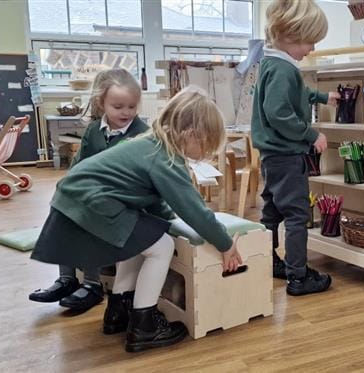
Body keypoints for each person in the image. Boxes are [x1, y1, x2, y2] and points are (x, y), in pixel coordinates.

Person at [31, 87, 243, 352]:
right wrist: (225, 244)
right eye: (205, 146)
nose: (204, 153)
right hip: (92, 203)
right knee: (161, 246)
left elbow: (155, 203)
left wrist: (168, 218)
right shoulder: (165, 157)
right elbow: (194, 209)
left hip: (78, 198)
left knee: (141, 239)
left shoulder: (150, 144)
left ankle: (120, 310)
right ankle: (144, 325)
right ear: (192, 135)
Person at [29, 69, 148, 311]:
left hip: (122, 199)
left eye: (131, 107)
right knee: (64, 204)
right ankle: (67, 277)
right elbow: (81, 162)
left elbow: (142, 175)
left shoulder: (141, 133)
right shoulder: (95, 130)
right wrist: (68, 184)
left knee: (90, 211)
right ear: (101, 103)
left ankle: (92, 285)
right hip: (94, 190)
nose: (126, 112)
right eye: (118, 107)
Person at [252, 0, 340, 296]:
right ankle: (299, 276)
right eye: (309, 42)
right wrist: (310, 135)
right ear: (290, 35)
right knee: (297, 216)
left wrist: (322, 97)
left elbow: (296, 94)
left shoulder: (274, 63)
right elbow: (279, 112)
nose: (312, 49)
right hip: (287, 156)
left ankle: (269, 262)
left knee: (272, 213)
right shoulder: (283, 70)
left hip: (272, 156)